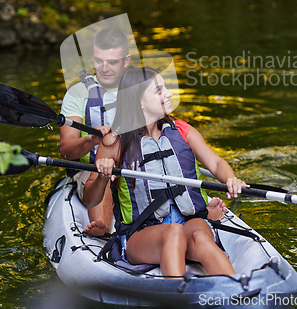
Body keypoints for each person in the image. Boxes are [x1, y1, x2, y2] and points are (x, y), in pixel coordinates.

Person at [83, 67, 248, 276]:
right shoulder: (114, 143)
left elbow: (215, 163)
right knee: (173, 232)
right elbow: (90, 199)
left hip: (189, 221)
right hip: (141, 233)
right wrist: (102, 177)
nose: (169, 94)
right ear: (139, 102)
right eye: (159, 90)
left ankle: (237, 293)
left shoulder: (181, 130)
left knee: (201, 237)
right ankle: (178, 295)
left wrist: (231, 179)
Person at [59, 27, 131, 236]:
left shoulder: (138, 90)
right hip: (92, 169)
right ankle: (102, 228)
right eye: (99, 61)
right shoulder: (77, 93)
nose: (105, 68)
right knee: (105, 171)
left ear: (126, 61)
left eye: (112, 62)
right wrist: (91, 139)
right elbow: (66, 151)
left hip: (132, 165)